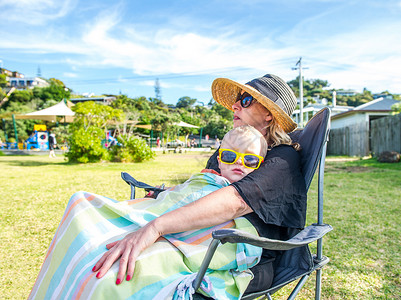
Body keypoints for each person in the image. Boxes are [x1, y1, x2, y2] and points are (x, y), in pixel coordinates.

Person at [91, 74, 306, 294]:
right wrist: (165, 196)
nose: (234, 105)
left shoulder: (282, 158)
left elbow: (236, 201)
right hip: (193, 235)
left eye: (245, 100)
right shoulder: (227, 149)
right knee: (94, 231)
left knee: (122, 270)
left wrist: (155, 227)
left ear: (269, 114)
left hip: (235, 254)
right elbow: (204, 188)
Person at [29, 125, 268, 299]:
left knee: (105, 276)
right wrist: (160, 196)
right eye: (229, 156)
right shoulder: (208, 178)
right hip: (160, 217)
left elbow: (212, 210)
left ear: (261, 164)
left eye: (250, 160)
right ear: (220, 158)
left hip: (186, 232)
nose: (239, 163)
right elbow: (183, 194)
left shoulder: (239, 192)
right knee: (80, 205)